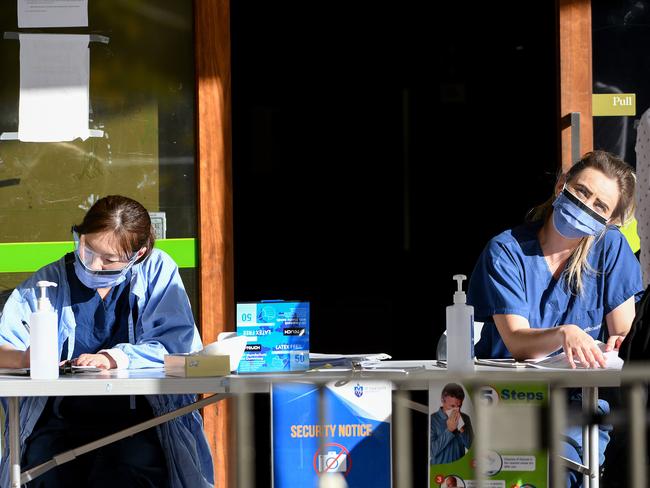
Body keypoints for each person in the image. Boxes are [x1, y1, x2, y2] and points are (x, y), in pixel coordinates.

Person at [0, 195, 214, 487]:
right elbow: (3, 344)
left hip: (140, 423)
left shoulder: (157, 272)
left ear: (137, 256)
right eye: (87, 250)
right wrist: (24, 358)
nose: (93, 266)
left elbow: (178, 348)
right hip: (61, 423)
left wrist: (115, 358)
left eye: (110, 260)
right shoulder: (52, 280)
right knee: (44, 470)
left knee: (129, 468)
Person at [467, 150, 644, 487]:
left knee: (565, 470)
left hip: (579, 405)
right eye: (581, 191)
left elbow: (623, 333)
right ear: (562, 185)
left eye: (600, 205)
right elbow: (518, 343)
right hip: (510, 400)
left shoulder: (610, 249)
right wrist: (565, 333)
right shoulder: (507, 251)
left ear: (608, 221)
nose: (586, 205)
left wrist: (618, 343)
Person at [430, 383, 474, 465]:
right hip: (439, 471)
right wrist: (449, 430)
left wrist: (462, 428)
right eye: (452, 406)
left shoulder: (465, 418)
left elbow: (472, 447)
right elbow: (431, 451)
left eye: (459, 406)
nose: (456, 410)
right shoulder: (432, 420)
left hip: (459, 470)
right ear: (442, 400)